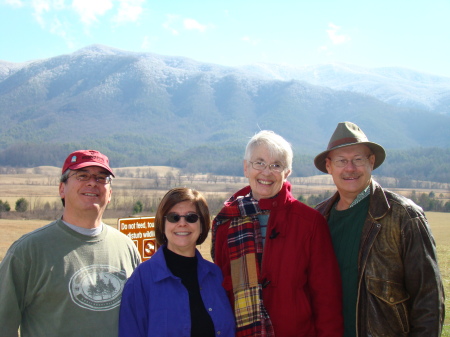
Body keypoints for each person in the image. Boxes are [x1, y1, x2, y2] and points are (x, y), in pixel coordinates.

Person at [314, 121, 445, 336]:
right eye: (341, 161)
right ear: (329, 166)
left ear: (371, 162)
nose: (350, 168)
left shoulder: (405, 216)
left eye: (358, 159)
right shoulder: (317, 218)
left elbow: (428, 300)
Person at [211, 130, 343, 336]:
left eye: (276, 165)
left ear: (287, 172)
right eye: (259, 163)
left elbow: (327, 298)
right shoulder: (226, 222)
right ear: (246, 167)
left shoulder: (310, 223)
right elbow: (220, 291)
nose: (266, 172)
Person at [0, 150, 141, 337]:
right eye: (82, 176)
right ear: (61, 188)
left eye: (101, 178)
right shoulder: (28, 251)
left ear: (110, 193)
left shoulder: (126, 247)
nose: (92, 182)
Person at [119, 187, 236, 337]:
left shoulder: (215, 276)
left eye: (191, 217)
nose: (182, 223)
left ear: (202, 225)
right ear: (163, 224)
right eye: (174, 217)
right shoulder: (142, 279)